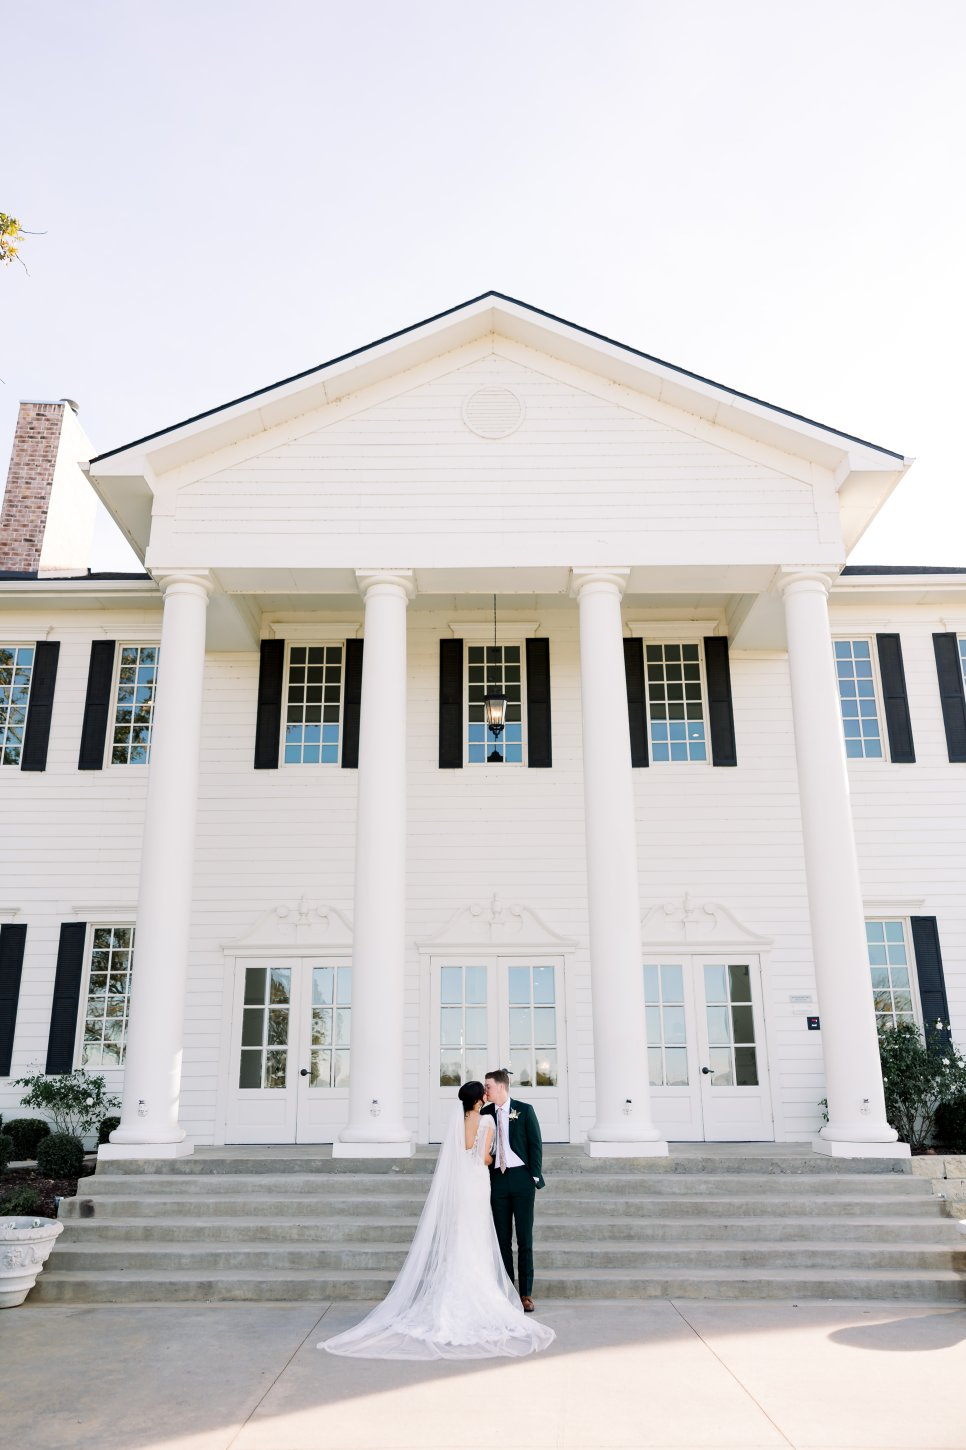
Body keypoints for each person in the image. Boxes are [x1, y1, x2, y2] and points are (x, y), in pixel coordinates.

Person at [318, 1081, 555, 1360]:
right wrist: (491, 1156)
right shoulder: (487, 1118)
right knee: (479, 1234)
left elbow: (462, 1150)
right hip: (479, 1181)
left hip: (463, 1184)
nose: (486, 1094)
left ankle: (464, 1287)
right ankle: (489, 1290)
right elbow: (484, 1157)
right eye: (484, 1091)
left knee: (462, 1233)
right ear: (480, 1098)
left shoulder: (460, 1119)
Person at [481, 1068, 544, 1312]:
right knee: (502, 1240)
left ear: (501, 1087)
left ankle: (525, 1294)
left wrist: (533, 1176)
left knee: (524, 1239)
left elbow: (535, 1144)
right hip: (497, 1179)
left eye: (488, 1086)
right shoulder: (486, 1113)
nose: (485, 1090)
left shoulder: (524, 1110)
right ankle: (508, 1291)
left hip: (521, 1178)